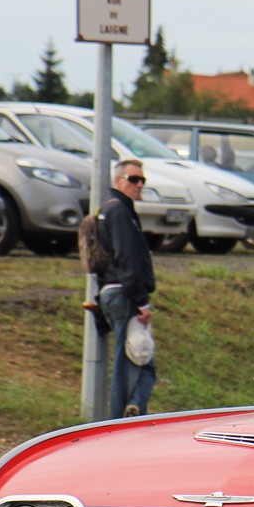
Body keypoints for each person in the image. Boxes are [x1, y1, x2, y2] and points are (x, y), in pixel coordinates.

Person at [98, 159, 157, 417]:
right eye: (134, 179)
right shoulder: (118, 211)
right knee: (130, 363)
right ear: (118, 180)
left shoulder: (118, 209)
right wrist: (141, 301)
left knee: (141, 358)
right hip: (124, 294)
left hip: (117, 292)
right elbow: (125, 257)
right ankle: (122, 421)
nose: (139, 184)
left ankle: (133, 408)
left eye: (142, 180)